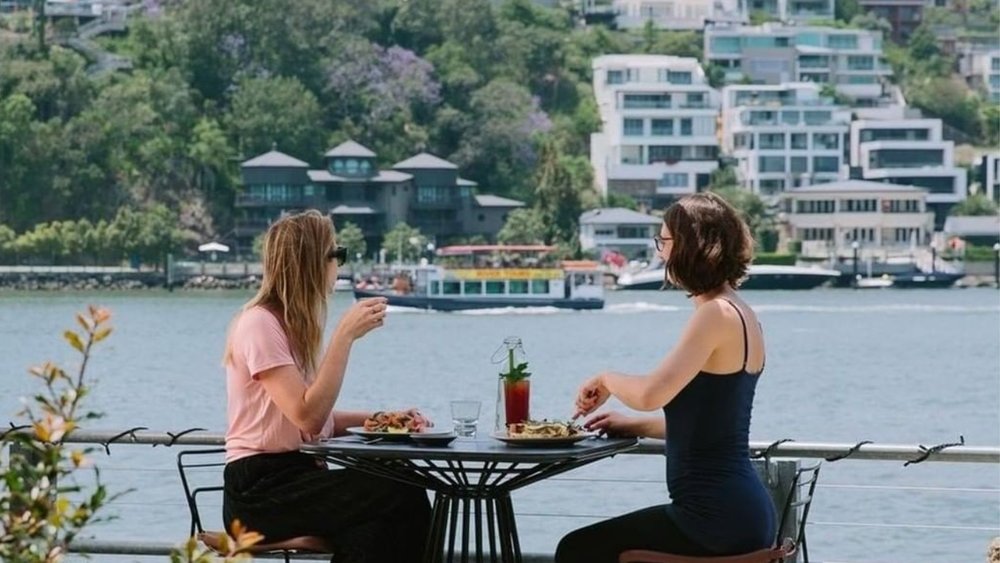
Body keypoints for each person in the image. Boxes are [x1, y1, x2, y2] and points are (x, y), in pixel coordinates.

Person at [556, 192, 777, 562]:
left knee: (577, 550)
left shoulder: (716, 314)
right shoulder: (742, 312)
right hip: (741, 514)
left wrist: (607, 379)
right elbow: (713, 426)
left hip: (713, 518)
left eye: (663, 241)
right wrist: (636, 425)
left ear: (690, 246)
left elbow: (650, 394)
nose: (660, 253)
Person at [222, 210, 431, 563]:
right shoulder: (259, 324)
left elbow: (315, 420)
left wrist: (384, 419)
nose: (340, 265)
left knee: (376, 527)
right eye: (338, 255)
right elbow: (308, 416)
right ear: (313, 262)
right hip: (259, 492)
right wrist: (343, 337)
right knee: (402, 489)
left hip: (294, 479)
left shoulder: (289, 327)